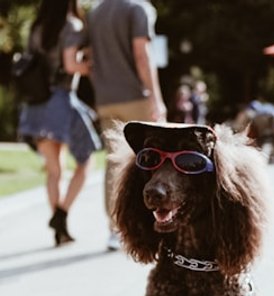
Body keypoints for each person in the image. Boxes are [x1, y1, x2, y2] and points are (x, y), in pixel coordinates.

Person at [16, 0, 102, 247]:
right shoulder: (72, 25)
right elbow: (70, 65)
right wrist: (90, 66)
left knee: (54, 171)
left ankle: (60, 229)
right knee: (86, 162)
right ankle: (61, 215)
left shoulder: (37, 26)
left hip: (36, 104)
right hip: (61, 102)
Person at [86, 0, 166, 250]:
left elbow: (89, 56)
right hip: (135, 96)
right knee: (152, 158)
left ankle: (115, 229)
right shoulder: (138, 8)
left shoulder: (96, 11)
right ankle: (152, 223)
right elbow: (142, 55)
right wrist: (156, 98)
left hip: (105, 99)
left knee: (114, 162)